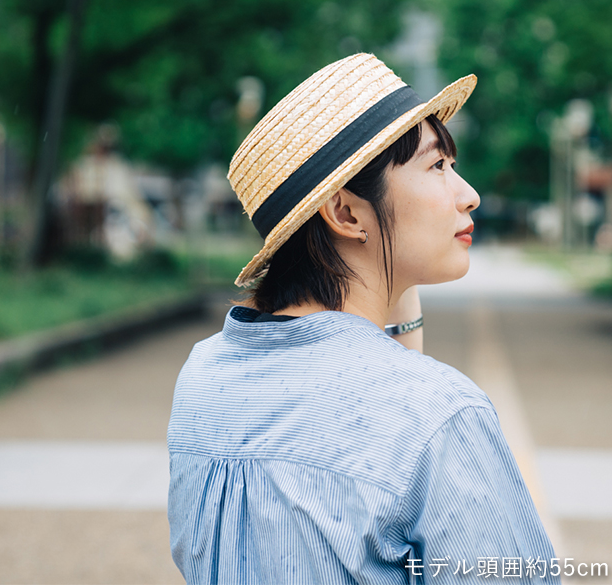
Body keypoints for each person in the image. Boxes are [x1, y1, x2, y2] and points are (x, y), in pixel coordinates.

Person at [167, 53, 559, 584]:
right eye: (437, 166)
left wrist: (395, 283)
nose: (469, 195)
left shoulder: (204, 375)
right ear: (347, 213)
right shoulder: (440, 413)